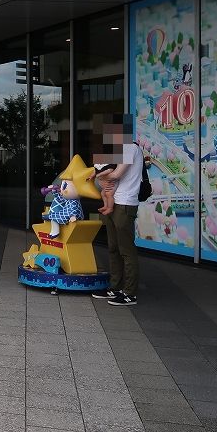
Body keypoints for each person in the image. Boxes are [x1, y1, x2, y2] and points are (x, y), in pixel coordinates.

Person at [92, 119, 145, 307]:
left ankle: (130, 292)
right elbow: (107, 170)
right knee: (113, 247)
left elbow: (115, 175)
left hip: (125, 203)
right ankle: (115, 287)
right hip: (115, 203)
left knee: (126, 250)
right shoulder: (118, 151)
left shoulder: (130, 148)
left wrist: (98, 175)